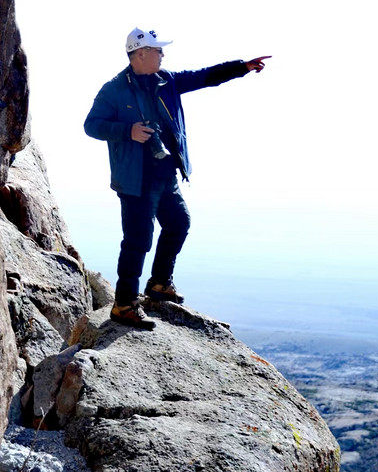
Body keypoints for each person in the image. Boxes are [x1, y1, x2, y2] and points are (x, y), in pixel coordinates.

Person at [84, 27, 271, 330]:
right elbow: (91, 126)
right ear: (140, 54)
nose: (163, 54)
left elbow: (203, 76)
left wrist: (242, 67)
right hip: (135, 178)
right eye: (158, 50)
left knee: (178, 224)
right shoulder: (113, 90)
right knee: (138, 240)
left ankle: (158, 284)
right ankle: (124, 304)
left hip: (165, 173)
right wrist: (127, 131)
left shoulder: (166, 80)